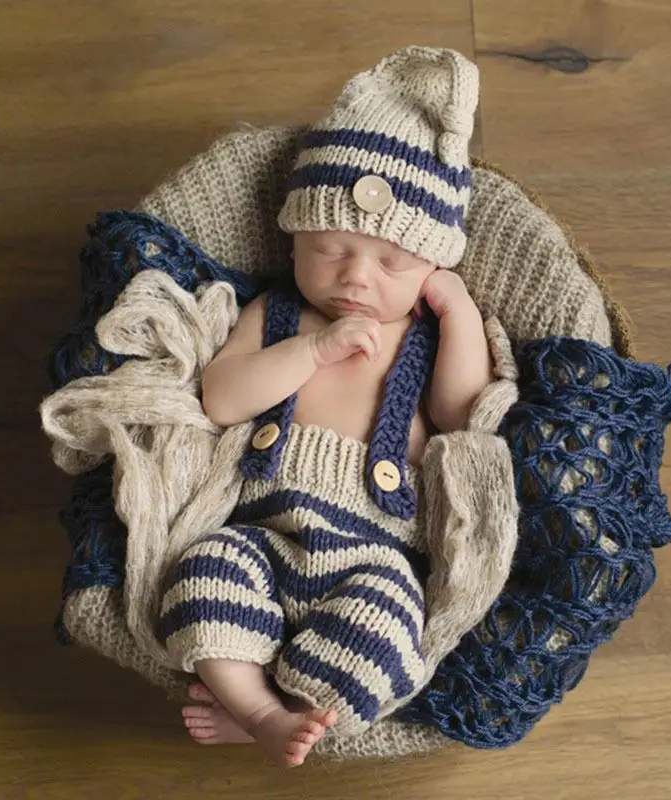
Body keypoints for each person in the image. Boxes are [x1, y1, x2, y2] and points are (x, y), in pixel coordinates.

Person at [158, 45, 488, 767]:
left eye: (393, 263)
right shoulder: (280, 315)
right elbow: (221, 397)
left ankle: (293, 717)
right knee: (202, 573)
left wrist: (458, 312)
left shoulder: (426, 333)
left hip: (376, 553)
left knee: (391, 629)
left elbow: (463, 417)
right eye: (329, 248)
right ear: (293, 241)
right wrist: (309, 352)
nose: (356, 278)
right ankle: (255, 708)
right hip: (263, 530)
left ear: (434, 264)